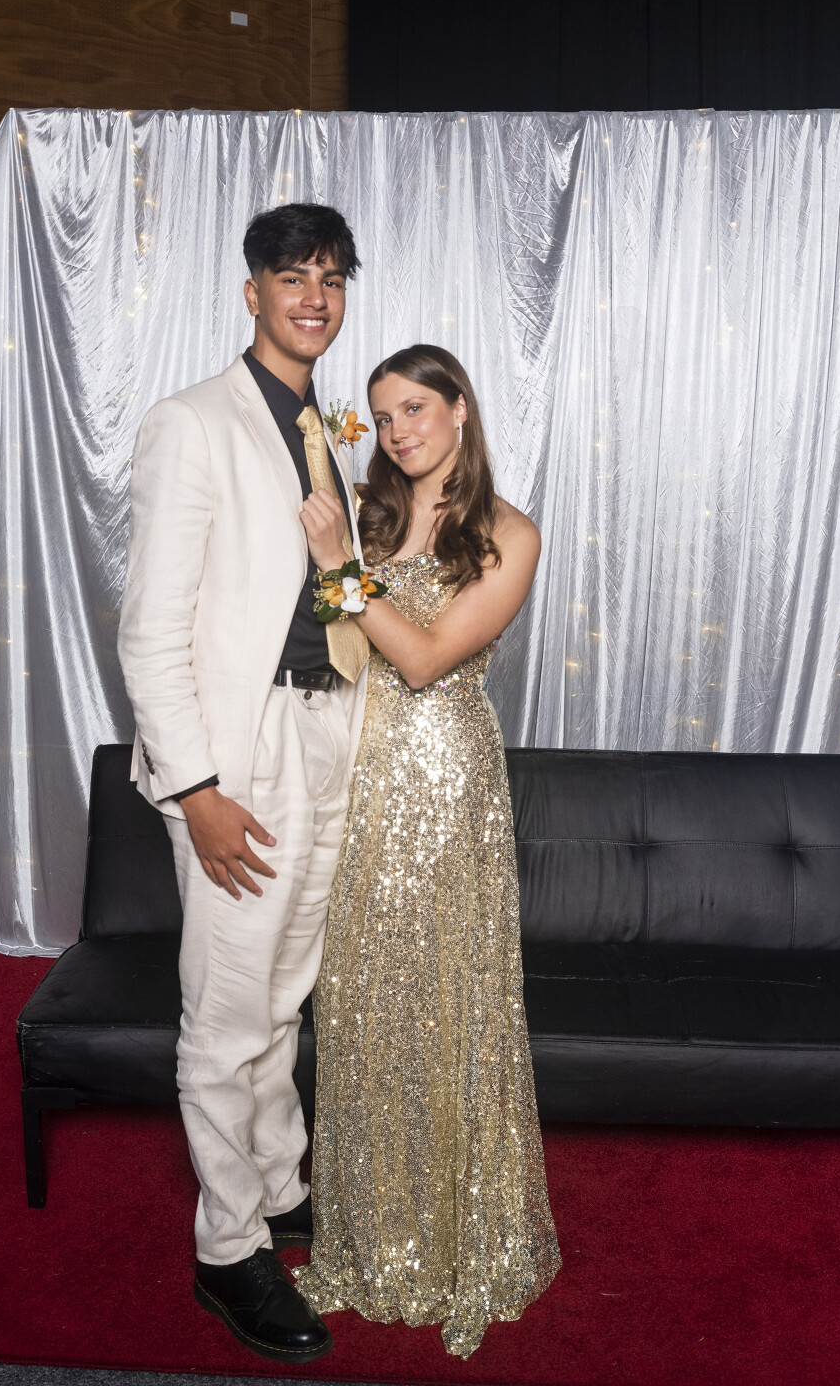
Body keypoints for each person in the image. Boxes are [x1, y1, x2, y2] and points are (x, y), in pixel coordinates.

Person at [117, 203, 368, 1364]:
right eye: (291, 275)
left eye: (331, 277)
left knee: (281, 995)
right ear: (251, 290)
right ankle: (227, 1248)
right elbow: (149, 632)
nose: (313, 296)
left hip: (322, 733)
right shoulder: (192, 422)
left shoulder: (324, 429)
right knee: (226, 1012)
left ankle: (274, 1186)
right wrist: (197, 788)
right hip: (239, 750)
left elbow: (333, 598)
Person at [294, 343, 562, 1357]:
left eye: (414, 408)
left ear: (459, 409)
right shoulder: (369, 513)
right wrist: (337, 562)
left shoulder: (507, 533)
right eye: (382, 415)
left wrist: (337, 570)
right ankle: (371, 1236)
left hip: (443, 787)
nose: (398, 430)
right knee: (360, 1001)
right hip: (352, 770)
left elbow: (422, 658)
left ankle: (455, 1248)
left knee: (445, 1000)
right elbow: (331, 635)